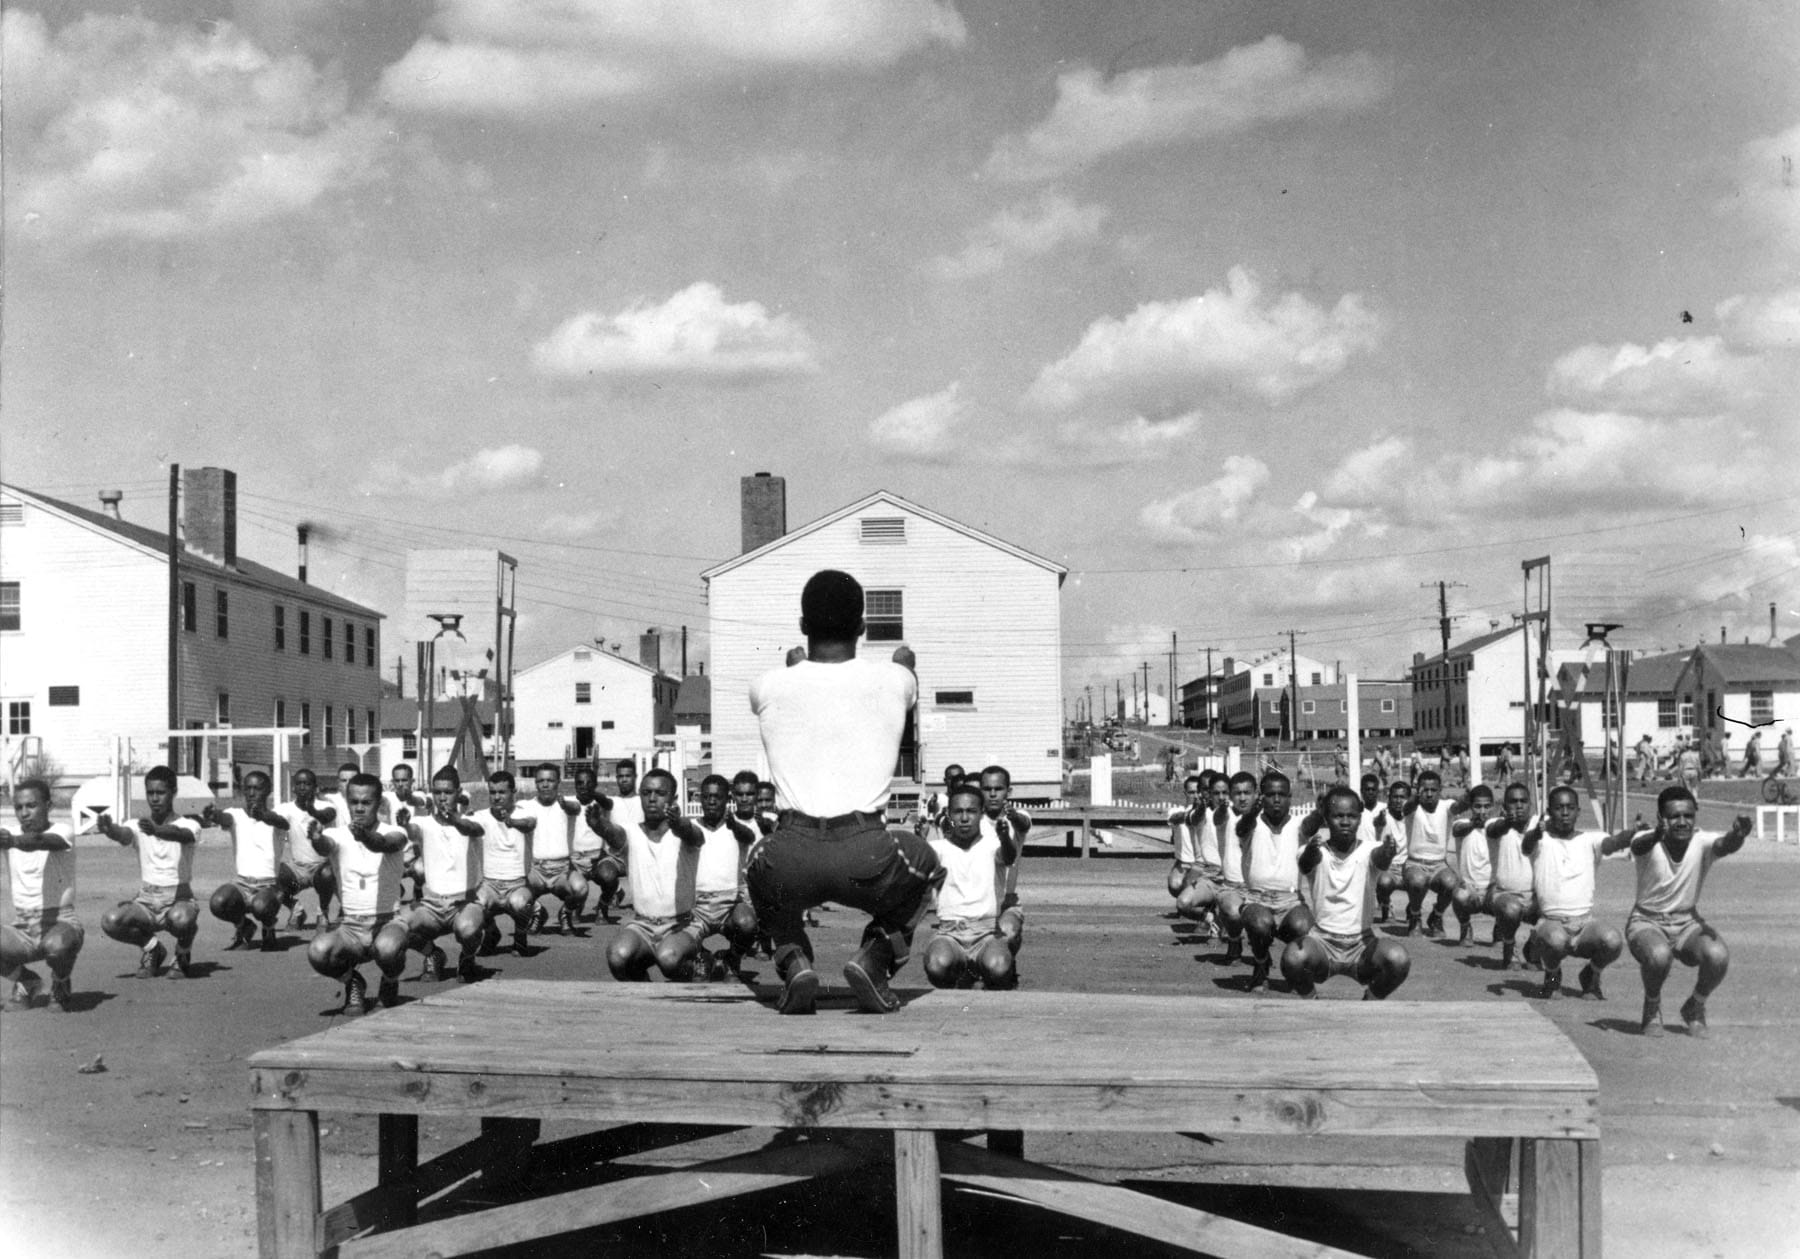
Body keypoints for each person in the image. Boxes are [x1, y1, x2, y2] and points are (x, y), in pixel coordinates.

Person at [743, 569, 944, 1015]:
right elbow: (902, 676)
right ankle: (875, 959)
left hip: (791, 852)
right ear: (862, 627)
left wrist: (796, 667)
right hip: (865, 852)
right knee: (929, 867)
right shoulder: (896, 679)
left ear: (801, 625)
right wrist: (904, 661)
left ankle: (793, 959)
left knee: (756, 864)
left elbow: (805, 692)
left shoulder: (767, 684)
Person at [1626, 789, 1751, 1037]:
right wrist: (1655, 834)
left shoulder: (1701, 841)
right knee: (1659, 956)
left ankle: (1695, 1006)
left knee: (1718, 956)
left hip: (1687, 922)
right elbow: (1638, 846)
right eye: (1674, 816)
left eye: (1688, 815)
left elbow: (1724, 845)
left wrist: (1738, 834)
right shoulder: (1648, 838)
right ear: (1661, 817)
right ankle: (1652, 1005)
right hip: (1646, 921)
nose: (1682, 822)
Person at [1283, 785, 1408, 999]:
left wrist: (1388, 852)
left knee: (1399, 958)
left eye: (1351, 816)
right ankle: (1312, 1000)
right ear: (1325, 818)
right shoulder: (1314, 850)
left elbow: (1379, 857)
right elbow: (1305, 864)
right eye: (1337, 816)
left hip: (1362, 944)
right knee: (1292, 958)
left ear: (1360, 819)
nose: (1345, 822)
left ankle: (1371, 998)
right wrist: (1312, 850)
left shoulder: (1369, 849)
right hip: (1323, 941)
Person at [305, 773, 410, 1013]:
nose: (359, 808)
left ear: (379, 803)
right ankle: (352, 982)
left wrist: (365, 837)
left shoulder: (395, 832)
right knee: (318, 951)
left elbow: (385, 844)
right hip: (350, 927)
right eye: (354, 802)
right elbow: (326, 846)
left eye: (366, 802)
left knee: (388, 950)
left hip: (387, 922)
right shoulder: (337, 835)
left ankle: (390, 980)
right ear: (347, 802)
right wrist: (316, 839)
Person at [1522, 786, 1636, 1000]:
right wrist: (1536, 832)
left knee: (1612, 941)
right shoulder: (1541, 841)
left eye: (1570, 808)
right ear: (1548, 811)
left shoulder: (1590, 840)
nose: (1565, 813)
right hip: (1551, 922)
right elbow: (1526, 846)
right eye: (1558, 808)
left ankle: (1591, 975)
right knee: (1555, 940)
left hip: (1584, 924)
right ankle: (1552, 977)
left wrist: (1631, 834)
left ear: (1578, 812)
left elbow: (1612, 844)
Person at [97, 766, 202, 979]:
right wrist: (110, 831)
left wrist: (157, 831)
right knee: (111, 920)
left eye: (160, 793)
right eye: (150, 793)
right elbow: (125, 834)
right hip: (146, 899)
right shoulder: (138, 825)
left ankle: (182, 952)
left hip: (178, 898)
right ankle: (153, 949)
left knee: (182, 920)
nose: (154, 798)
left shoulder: (189, 824)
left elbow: (181, 835)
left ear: (173, 792)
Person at [604, 768, 708, 982]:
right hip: (643, 925)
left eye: (660, 793)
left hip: (681, 925)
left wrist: (678, 823)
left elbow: (693, 834)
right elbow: (614, 835)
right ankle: (643, 991)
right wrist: (598, 824)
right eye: (646, 792)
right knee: (617, 956)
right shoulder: (631, 831)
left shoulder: (688, 831)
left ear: (674, 798)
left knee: (669, 960)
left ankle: (704, 963)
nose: (652, 798)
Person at [922, 782, 1022, 990]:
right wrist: (918, 839)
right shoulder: (938, 848)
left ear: (981, 813)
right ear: (949, 814)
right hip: (950, 932)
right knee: (936, 966)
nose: (965, 818)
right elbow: (915, 866)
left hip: (985, 933)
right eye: (958, 812)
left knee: (999, 967)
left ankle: (991, 974)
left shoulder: (993, 845)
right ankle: (961, 977)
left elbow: (1008, 856)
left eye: (971, 811)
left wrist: (1005, 837)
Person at [0, 778, 82, 1011]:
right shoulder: (8, 834)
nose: (24, 813)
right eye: (18, 807)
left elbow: (43, 841)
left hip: (61, 922)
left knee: (58, 946)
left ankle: (61, 981)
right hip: (23, 926)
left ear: (49, 805)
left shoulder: (62, 831)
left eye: (31, 806)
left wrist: (13, 841)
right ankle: (27, 981)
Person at [402, 767, 489, 984]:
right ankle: (433, 954)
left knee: (468, 930)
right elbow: (413, 831)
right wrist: (404, 824)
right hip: (432, 903)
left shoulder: (473, 818)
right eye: (437, 792)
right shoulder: (424, 823)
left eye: (448, 792)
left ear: (458, 793)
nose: (442, 798)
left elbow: (474, 830)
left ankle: (468, 958)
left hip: (465, 901)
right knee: (397, 926)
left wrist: (454, 820)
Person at [669, 774, 759, 980]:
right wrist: (676, 821)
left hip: (729, 905)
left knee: (748, 924)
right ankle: (703, 957)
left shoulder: (738, 828)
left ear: (727, 800)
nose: (711, 801)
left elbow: (749, 837)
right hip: (697, 906)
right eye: (706, 796)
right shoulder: (693, 826)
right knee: (674, 952)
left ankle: (731, 959)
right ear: (699, 799)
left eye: (717, 797)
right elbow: (685, 829)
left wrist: (733, 824)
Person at [1233, 771, 1315, 991]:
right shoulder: (1251, 824)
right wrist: (1252, 813)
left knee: (1304, 927)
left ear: (1290, 798)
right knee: (1260, 924)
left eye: (1282, 794)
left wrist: (1325, 807)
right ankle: (1260, 964)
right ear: (1262, 797)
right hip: (1257, 898)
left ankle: (1292, 965)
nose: (1276, 799)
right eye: (1270, 794)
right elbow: (1241, 828)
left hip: (1290, 901)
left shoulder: (1298, 825)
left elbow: (1313, 823)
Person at [204, 771, 287, 952]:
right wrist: (213, 815)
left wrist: (262, 815)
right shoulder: (236, 814)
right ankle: (244, 926)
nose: (251, 793)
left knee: (261, 906)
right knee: (218, 902)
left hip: (268, 887)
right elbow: (224, 818)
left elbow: (282, 823)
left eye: (257, 788)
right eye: (247, 788)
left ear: (268, 791)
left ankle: (268, 927)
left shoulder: (277, 815)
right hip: (242, 884)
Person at [515, 763, 587, 935]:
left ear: (558, 782)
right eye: (541, 781)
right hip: (536, 870)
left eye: (550, 780)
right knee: (514, 895)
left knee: (581, 888)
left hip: (562, 871)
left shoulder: (569, 803)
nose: (545, 785)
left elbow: (575, 809)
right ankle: (538, 912)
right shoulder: (525, 805)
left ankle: (565, 914)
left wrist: (564, 805)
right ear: (535, 783)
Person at [475, 771, 538, 956]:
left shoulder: (524, 812)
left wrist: (511, 822)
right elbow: (469, 826)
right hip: (489, 884)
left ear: (514, 792)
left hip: (517, 884)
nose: (496, 797)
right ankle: (492, 933)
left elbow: (529, 824)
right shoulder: (481, 815)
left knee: (521, 904)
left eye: (502, 792)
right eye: (492, 792)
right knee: (474, 904)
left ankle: (520, 936)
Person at [1482, 783, 1541, 970]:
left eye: (1523, 801)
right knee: (1510, 910)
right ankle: (1509, 946)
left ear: (1530, 805)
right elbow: (1494, 830)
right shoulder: (1494, 825)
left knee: (1559, 907)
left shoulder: (1539, 825)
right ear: (1504, 807)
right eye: (1513, 802)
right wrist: (1507, 821)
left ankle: (1533, 946)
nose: (1519, 806)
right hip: (1504, 895)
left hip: (1536, 897)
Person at [1399, 770, 1464, 937]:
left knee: (1452, 883)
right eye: (1424, 790)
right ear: (1418, 790)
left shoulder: (1446, 806)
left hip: (1439, 864)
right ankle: (1415, 916)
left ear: (1439, 790)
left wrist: (1468, 797)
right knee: (1417, 881)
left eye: (1433, 790)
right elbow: (1406, 809)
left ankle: (1436, 916)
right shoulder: (1412, 806)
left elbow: (1459, 807)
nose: (1429, 794)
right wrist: (1415, 797)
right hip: (1414, 863)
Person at [976, 765, 1030, 953]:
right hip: (979, 898)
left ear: (1009, 791)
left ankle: (1010, 960)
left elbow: (1024, 823)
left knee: (1007, 933)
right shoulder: (974, 821)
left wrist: (1012, 816)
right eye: (987, 789)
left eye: (998, 789)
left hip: (1007, 900)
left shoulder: (1018, 818)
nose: (992, 794)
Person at [275, 769, 338, 929]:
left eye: (307, 783)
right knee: (271, 875)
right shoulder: (286, 808)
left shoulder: (326, 806)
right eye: (299, 784)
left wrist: (312, 811)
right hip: (298, 868)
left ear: (315, 787)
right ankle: (296, 909)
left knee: (327, 874)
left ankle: (323, 911)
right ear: (293, 788)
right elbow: (274, 818)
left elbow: (327, 816)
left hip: (322, 867)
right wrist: (261, 814)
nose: (303, 787)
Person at [1447, 785, 1497, 945]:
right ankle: (1465, 926)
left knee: (1507, 898)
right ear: (1470, 807)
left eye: (1487, 806)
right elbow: (1457, 830)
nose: (1482, 811)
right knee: (1458, 895)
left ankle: (1501, 929)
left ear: (1493, 806)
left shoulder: (1496, 826)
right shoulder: (1462, 824)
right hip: (1470, 889)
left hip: (1492, 889)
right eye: (1477, 806)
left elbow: (1503, 827)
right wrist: (1473, 824)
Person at [1371, 780, 1411, 923]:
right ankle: (1386, 906)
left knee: (1421, 879)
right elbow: (1378, 822)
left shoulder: (1413, 817)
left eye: (1402, 797)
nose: (1398, 801)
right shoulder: (1383, 816)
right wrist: (1380, 819)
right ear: (1389, 798)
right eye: (1395, 797)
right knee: (1383, 882)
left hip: (1408, 865)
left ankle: (1413, 909)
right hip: (1388, 866)